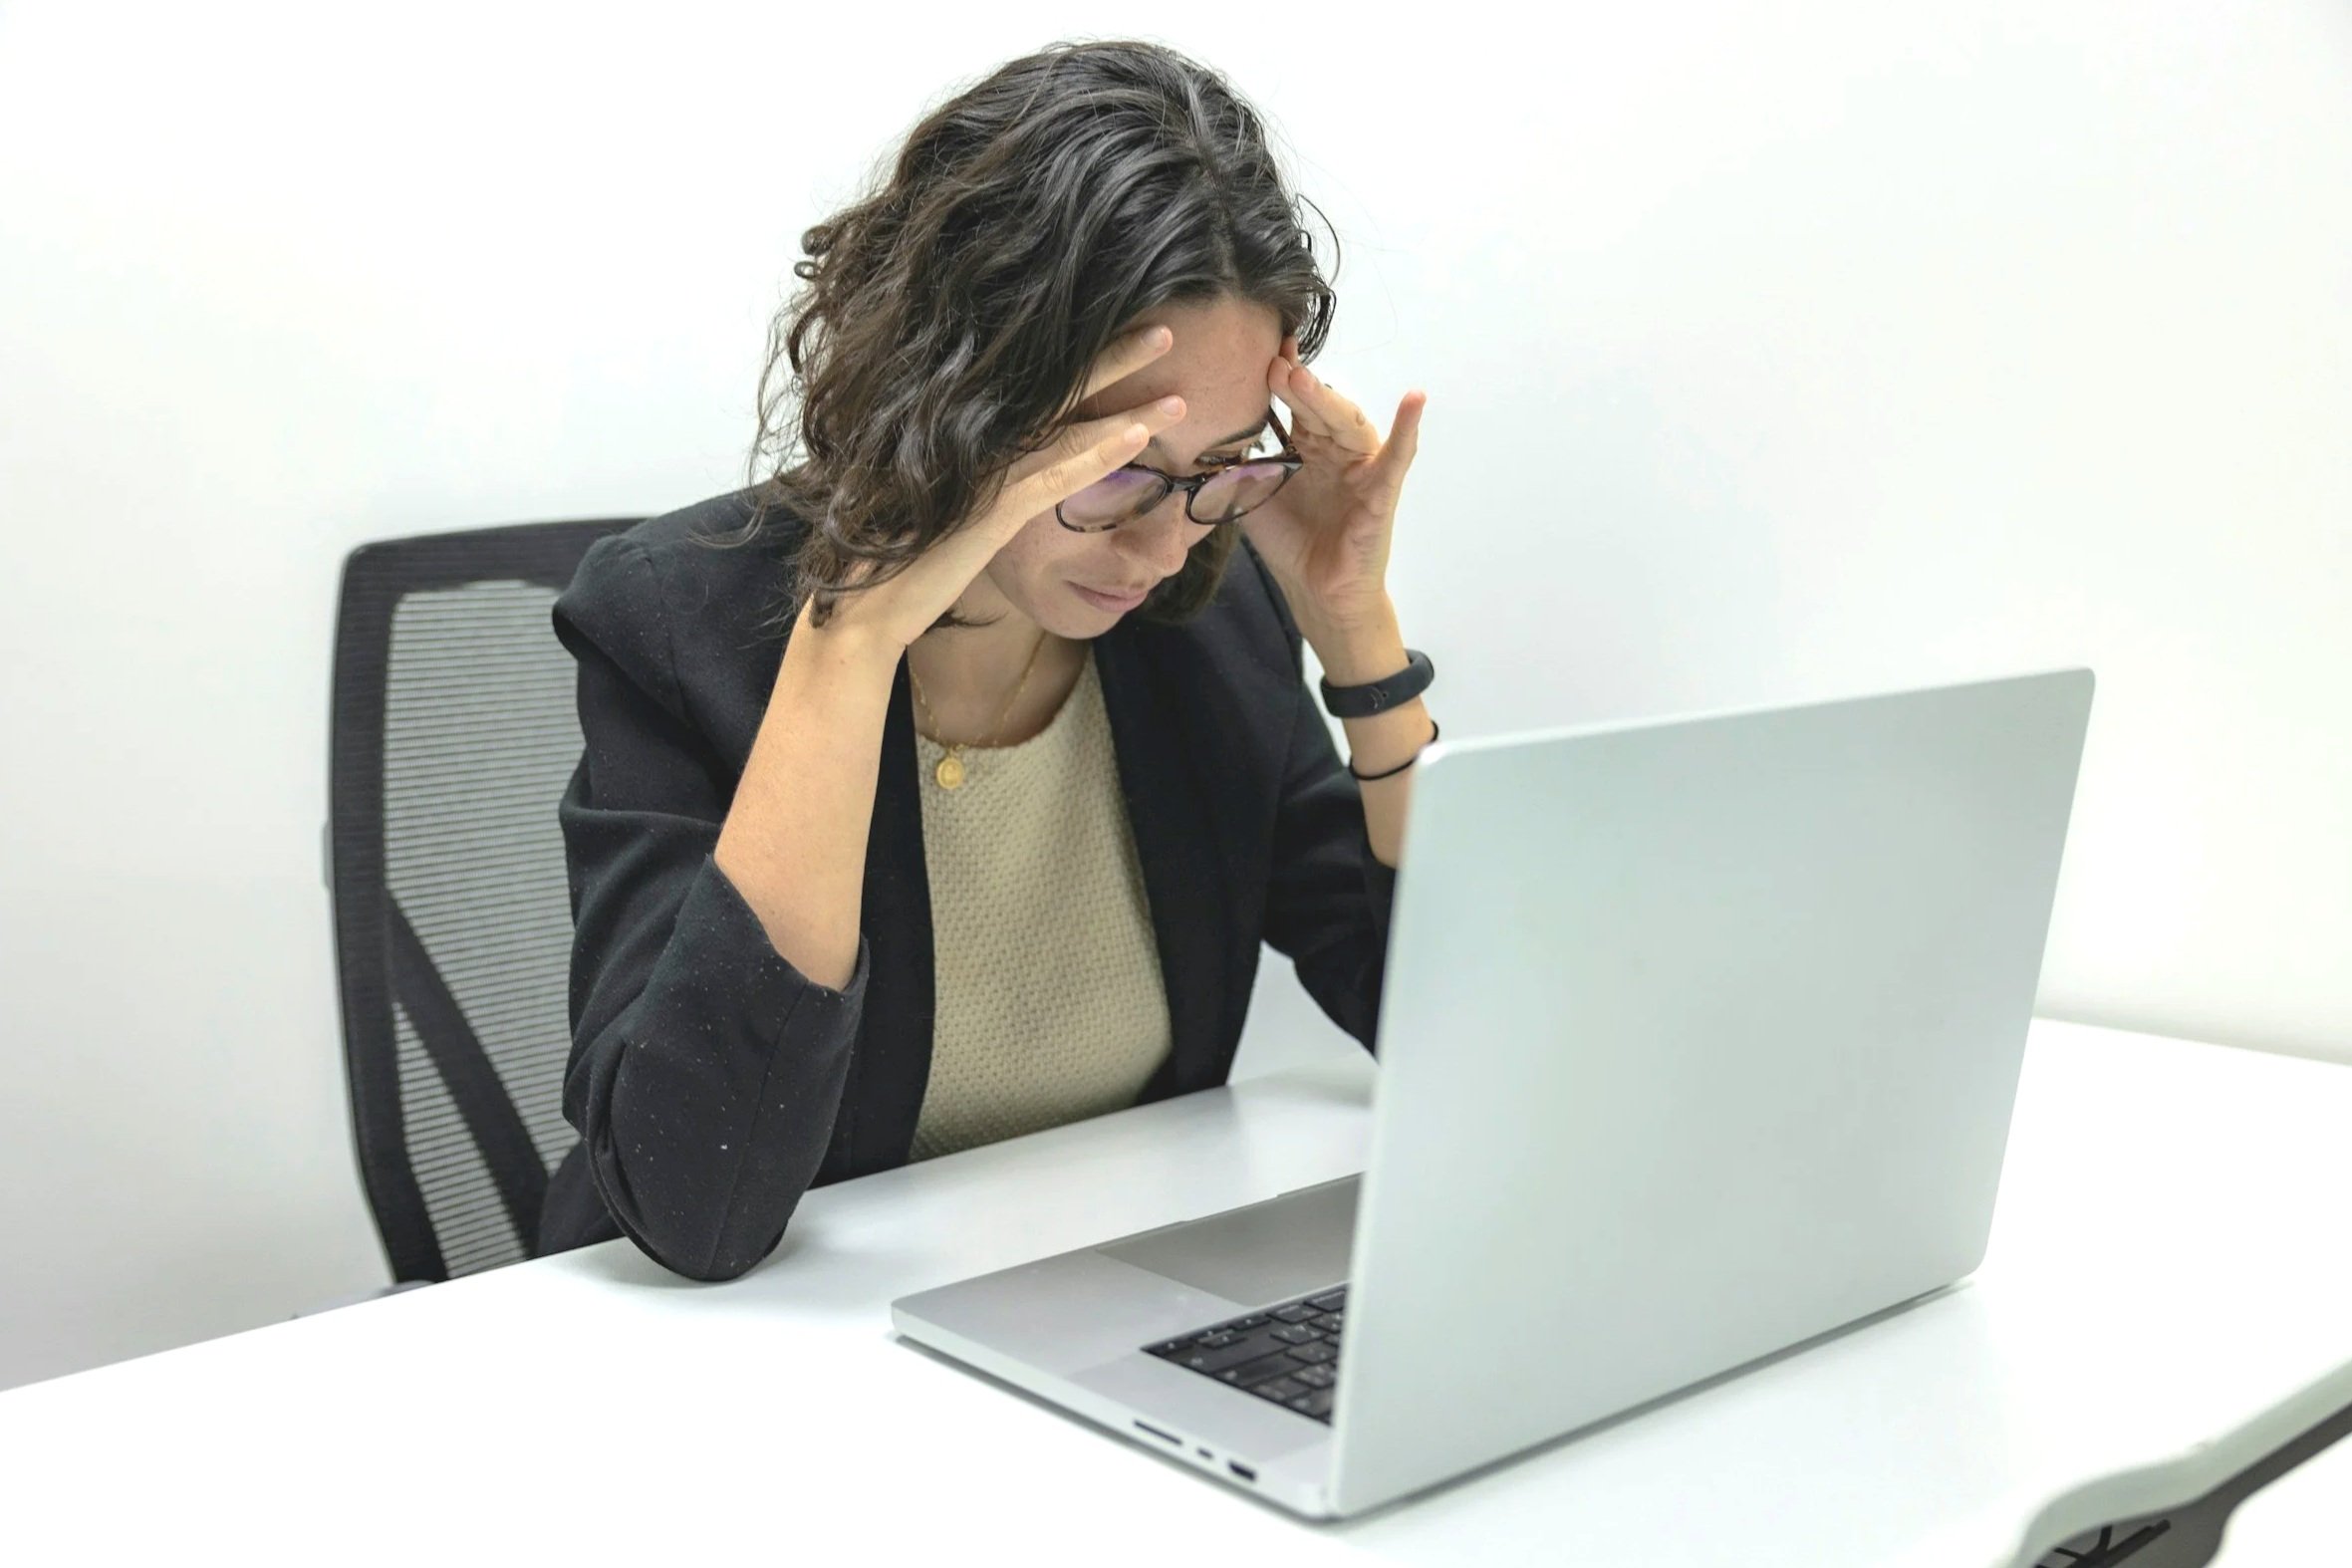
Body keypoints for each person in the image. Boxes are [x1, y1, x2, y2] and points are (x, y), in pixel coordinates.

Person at [535, 38, 1436, 1281]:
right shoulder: (680, 623)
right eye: (1113, 464)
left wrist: (1356, 635)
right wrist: (851, 645)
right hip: (740, 1361)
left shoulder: (1204, 627)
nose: (1163, 543)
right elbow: (699, 1204)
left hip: (1086, 1311)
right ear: (953, 394)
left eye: (1222, 467)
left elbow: (1455, 1030)